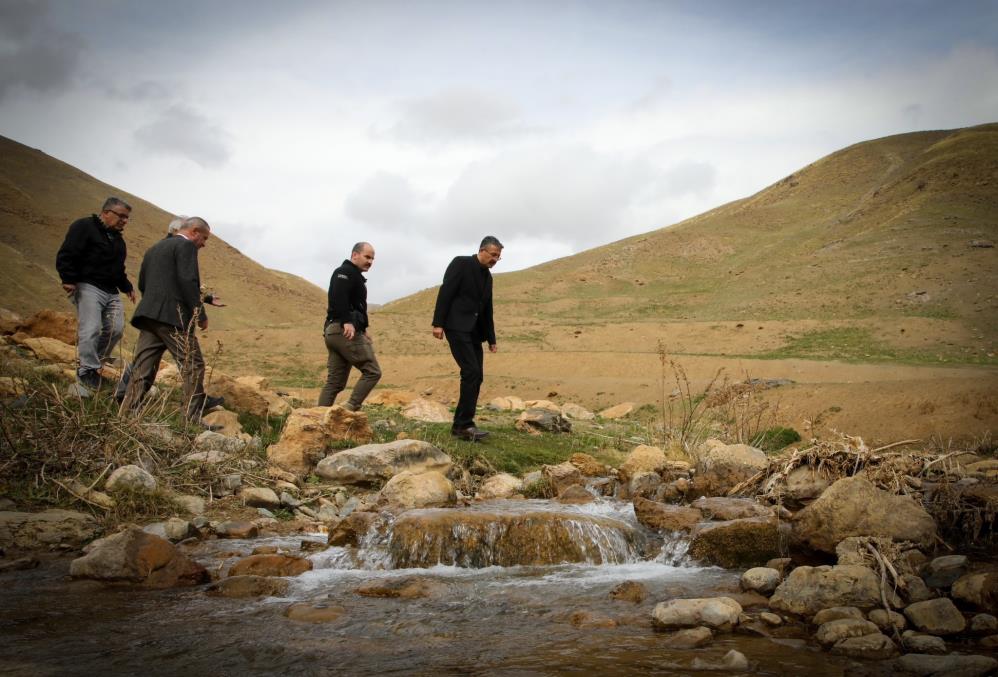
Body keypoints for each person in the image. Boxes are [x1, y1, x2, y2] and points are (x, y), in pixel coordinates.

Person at [119, 217, 222, 422]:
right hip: (173, 318)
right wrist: (199, 314)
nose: (204, 244)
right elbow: (187, 280)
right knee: (193, 364)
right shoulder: (185, 246)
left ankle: (126, 415)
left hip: (148, 315)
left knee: (143, 367)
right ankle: (190, 420)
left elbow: (143, 283)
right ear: (193, 231)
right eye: (204, 238)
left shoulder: (155, 249)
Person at [55, 197, 137, 390]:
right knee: (91, 328)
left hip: (111, 290)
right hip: (88, 285)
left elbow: (119, 269)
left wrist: (127, 287)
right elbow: (67, 252)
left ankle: (93, 365)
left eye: (127, 218)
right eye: (121, 216)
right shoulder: (84, 226)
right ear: (106, 212)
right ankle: (86, 370)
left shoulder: (118, 240)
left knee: (115, 329)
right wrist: (68, 277)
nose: (125, 221)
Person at [432, 236, 503, 441]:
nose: (495, 260)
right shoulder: (461, 263)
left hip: (475, 333)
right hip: (456, 327)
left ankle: (463, 425)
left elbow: (487, 309)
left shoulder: (488, 278)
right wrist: (438, 323)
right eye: (493, 255)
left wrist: (491, 338)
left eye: (498, 257)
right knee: (470, 371)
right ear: (482, 250)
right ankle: (463, 425)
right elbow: (446, 292)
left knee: (477, 375)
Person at [317, 242, 381, 410]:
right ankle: (349, 409)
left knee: (335, 383)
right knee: (372, 371)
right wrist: (347, 321)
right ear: (354, 255)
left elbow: (356, 305)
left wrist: (364, 329)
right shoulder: (344, 272)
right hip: (343, 330)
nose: (370, 262)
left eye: (372, 258)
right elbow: (338, 297)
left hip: (334, 332)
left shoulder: (354, 276)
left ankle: (317, 418)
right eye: (367, 257)